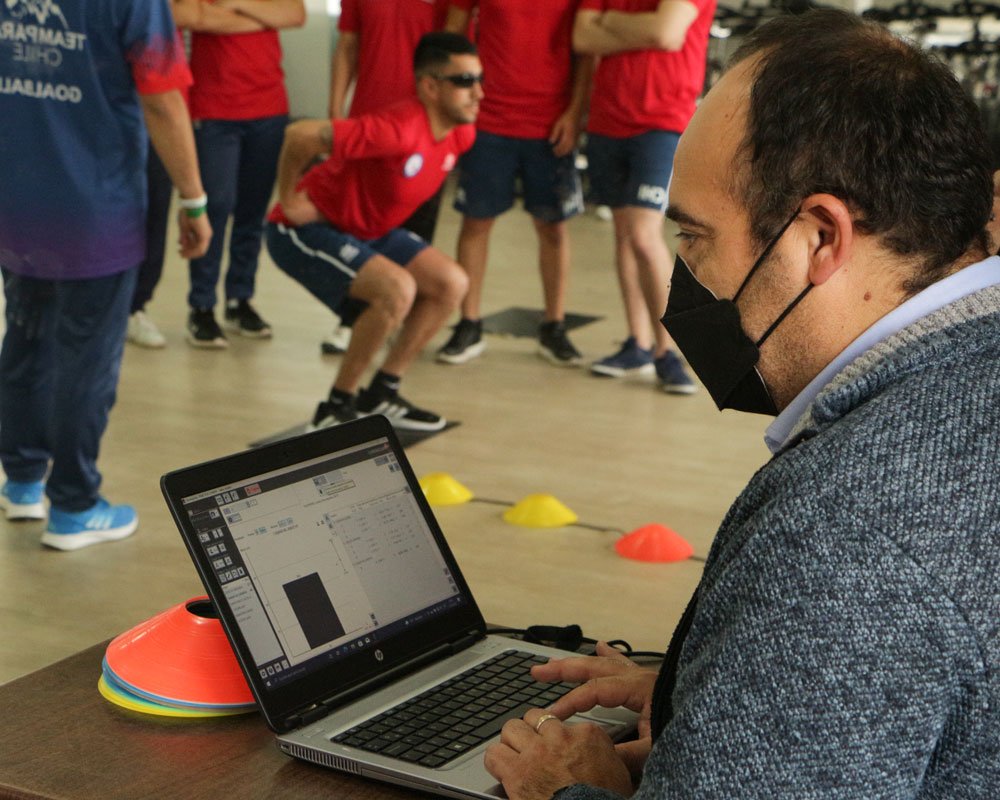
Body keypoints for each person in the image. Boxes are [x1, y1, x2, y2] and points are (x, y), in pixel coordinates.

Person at [482, 10, 1000, 798]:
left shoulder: (846, 538)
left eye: (694, 238)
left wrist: (569, 791)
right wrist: (714, 692)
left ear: (821, 238)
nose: (683, 276)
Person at [0, 0, 210, 549]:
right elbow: (163, 100)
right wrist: (193, 198)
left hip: (17, 200)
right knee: (85, 359)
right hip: (94, 208)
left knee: (25, 338)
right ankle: (74, 506)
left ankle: (22, 480)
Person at [265, 32, 480, 432]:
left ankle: (382, 390)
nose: (478, 93)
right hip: (304, 230)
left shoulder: (460, 133)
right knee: (396, 290)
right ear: (430, 87)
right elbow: (300, 135)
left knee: (451, 282)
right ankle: (336, 406)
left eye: (479, 80)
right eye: (465, 81)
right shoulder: (394, 129)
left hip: (365, 229)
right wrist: (290, 200)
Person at [437, 0, 594, 366]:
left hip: (550, 122)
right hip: (488, 120)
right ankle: (469, 323)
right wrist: (457, 104)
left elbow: (587, 53)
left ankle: (553, 325)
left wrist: (575, 113)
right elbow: (453, 35)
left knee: (553, 228)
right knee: (476, 222)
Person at [574, 0, 714, 394]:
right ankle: (637, 342)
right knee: (623, 235)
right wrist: (640, 26)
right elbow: (583, 36)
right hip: (607, 120)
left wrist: (611, 23)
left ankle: (666, 350)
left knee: (642, 233)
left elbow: (665, 33)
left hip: (661, 123)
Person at [321, 0, 452, 355]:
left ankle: (403, 319)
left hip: (424, 125)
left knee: (413, 231)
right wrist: (336, 113)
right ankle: (352, 319)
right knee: (359, 226)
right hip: (369, 121)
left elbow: (454, 52)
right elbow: (348, 45)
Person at [184, 0, 305, 348]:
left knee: (252, 212)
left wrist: (235, 5)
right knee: (214, 207)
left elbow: (294, 14)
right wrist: (263, 16)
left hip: (268, 107)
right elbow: (189, 15)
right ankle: (202, 305)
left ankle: (240, 298)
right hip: (214, 106)